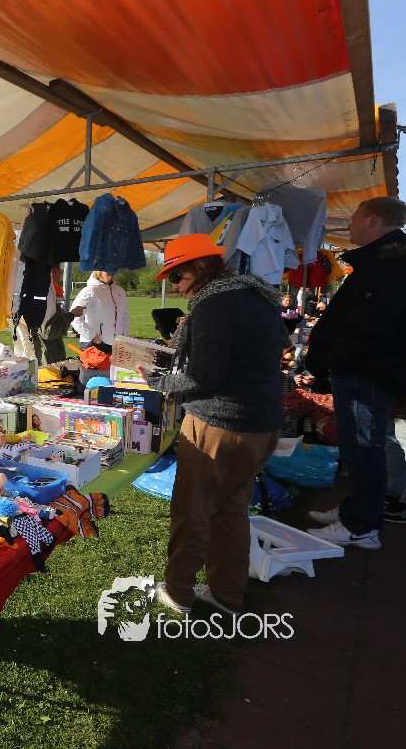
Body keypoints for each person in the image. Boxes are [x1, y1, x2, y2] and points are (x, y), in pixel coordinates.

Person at [137, 233, 283, 616]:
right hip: (261, 424)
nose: (175, 286)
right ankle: (227, 595)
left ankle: (178, 592)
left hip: (220, 425)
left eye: (177, 276)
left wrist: (157, 382)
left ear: (199, 268)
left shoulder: (213, 305)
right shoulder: (255, 295)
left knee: (193, 510)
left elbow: (203, 377)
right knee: (231, 509)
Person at [305, 196, 406, 549]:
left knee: (364, 448)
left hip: (367, 372)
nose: (349, 225)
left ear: (373, 220)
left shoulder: (390, 265)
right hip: (364, 369)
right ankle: (355, 511)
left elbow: (369, 326)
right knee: (358, 448)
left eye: (354, 217)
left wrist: (335, 361)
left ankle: (361, 527)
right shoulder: (379, 261)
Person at [70, 269, 129, 385]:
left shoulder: (120, 291)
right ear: (98, 271)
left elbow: (124, 316)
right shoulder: (89, 291)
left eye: (114, 270)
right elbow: (75, 318)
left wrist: (125, 337)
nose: (111, 273)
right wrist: (94, 337)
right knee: (91, 382)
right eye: (107, 270)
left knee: (113, 381)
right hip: (93, 345)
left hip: (115, 345)